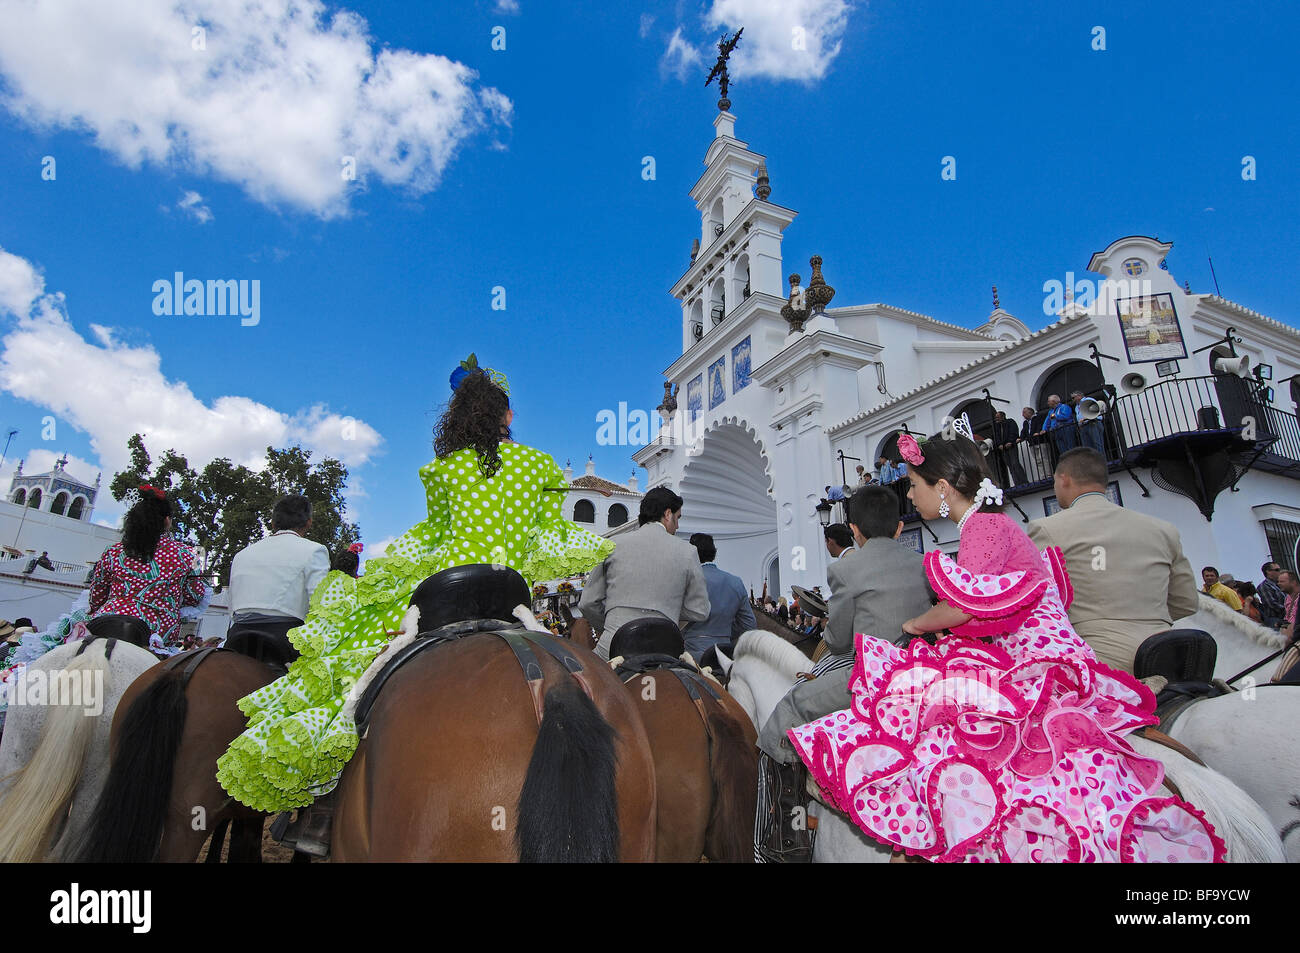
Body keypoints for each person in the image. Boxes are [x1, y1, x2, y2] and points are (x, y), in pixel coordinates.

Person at [216, 362, 614, 852]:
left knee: (355, 674)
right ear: (506, 417)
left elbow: (435, 538)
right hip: (509, 594)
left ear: (459, 419)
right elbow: (542, 540)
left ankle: (321, 810)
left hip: (448, 592)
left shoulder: (442, 469)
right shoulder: (538, 467)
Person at [787, 433, 1224, 862]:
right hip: (1099, 640)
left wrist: (915, 624)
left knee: (947, 721)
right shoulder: (990, 523)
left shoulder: (983, 525)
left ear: (941, 488)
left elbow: (959, 607)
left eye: (915, 486)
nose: (911, 497)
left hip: (1034, 653)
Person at [755, 484, 932, 862]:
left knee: (788, 710)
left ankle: (788, 827)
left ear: (854, 530)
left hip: (873, 678)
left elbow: (836, 643)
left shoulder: (847, 569)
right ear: (900, 528)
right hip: (922, 673)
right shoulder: (923, 563)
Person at [1026, 448, 1200, 674]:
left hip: (1099, 658)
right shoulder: (1163, 530)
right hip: (1166, 653)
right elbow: (1186, 602)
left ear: (1063, 479)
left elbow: (1032, 600)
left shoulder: (1047, 528)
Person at [579, 486, 709, 660]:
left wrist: (610, 624)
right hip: (664, 647)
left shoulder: (611, 544)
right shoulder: (688, 551)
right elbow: (700, 610)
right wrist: (666, 611)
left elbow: (587, 603)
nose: (677, 526)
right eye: (677, 518)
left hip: (614, 644)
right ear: (668, 514)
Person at [88, 486, 207, 653]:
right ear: (167, 520)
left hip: (107, 620)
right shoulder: (189, 555)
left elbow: (97, 596)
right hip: (156, 629)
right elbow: (195, 596)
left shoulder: (113, 551)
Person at [225, 495, 332, 664]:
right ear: (308, 523)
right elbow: (322, 603)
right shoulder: (314, 550)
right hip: (285, 638)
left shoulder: (241, 555)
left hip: (237, 635)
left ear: (273, 523)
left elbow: (231, 606)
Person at [682, 533, 755, 661]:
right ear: (713, 553)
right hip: (725, 654)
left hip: (692, 654)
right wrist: (723, 633)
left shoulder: (686, 580)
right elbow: (749, 624)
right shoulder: (736, 582)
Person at [992, 410, 1026, 486]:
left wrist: (1010, 441)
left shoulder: (1010, 422)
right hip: (1004, 449)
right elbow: (996, 436)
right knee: (1010, 466)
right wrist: (999, 444)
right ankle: (1017, 483)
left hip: (1011, 446)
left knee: (1015, 464)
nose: (996, 419)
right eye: (996, 417)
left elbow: (1013, 432)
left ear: (1003, 416)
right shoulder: (997, 426)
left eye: (998, 417)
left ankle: (1023, 481)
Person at [1040, 393, 1077, 458]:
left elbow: (1066, 416)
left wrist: (1056, 416)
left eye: (1049, 401)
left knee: (1070, 447)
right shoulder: (1050, 411)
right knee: (1062, 450)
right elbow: (1047, 421)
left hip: (1066, 429)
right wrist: (1044, 429)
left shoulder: (1064, 407)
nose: (1047, 403)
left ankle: (1073, 461)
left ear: (1054, 401)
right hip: (1056, 431)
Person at [1258, 561, 1286, 629]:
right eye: (1277, 570)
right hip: (1275, 620)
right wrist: (1290, 610)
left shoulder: (1279, 584)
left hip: (1285, 617)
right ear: (1268, 572)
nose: (1280, 571)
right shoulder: (1264, 586)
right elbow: (1272, 604)